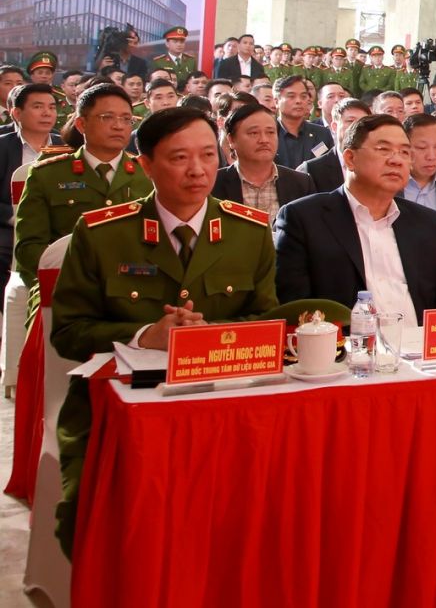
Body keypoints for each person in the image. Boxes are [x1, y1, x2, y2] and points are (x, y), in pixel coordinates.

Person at [50, 105, 278, 557]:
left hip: (225, 401)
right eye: (178, 158)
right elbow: (69, 332)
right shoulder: (102, 233)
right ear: (146, 165)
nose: (197, 170)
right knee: (95, 522)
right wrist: (144, 336)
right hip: (119, 408)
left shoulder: (249, 230)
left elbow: (267, 321)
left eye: (208, 155)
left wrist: (206, 336)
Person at [273, 114, 436, 324]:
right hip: (344, 342)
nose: (396, 160)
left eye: (404, 152)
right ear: (350, 158)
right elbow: (295, 306)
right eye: (383, 149)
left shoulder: (425, 222)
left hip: (418, 341)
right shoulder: (304, 219)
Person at [12, 83, 152, 325]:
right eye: (107, 117)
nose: (119, 125)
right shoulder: (48, 175)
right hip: (64, 286)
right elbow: (29, 248)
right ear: (81, 124)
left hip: (135, 286)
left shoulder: (148, 175)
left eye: (126, 119)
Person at [0, 84, 65, 286]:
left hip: (57, 231)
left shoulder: (67, 147)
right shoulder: (2, 147)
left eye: (52, 107)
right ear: (16, 113)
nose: (47, 113)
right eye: (38, 107)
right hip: (9, 229)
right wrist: (16, 217)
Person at [212, 102, 315, 214]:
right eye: (254, 133)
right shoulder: (214, 183)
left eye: (270, 132)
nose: (264, 140)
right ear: (231, 140)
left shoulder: (301, 183)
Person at [298, 97, 369, 192]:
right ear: (334, 127)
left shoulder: (377, 165)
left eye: (363, 122)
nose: (358, 127)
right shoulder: (311, 170)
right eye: (350, 121)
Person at [273, 74, 335, 169]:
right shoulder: (269, 133)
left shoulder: (322, 134)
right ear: (276, 101)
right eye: (291, 96)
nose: (298, 101)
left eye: (303, 96)